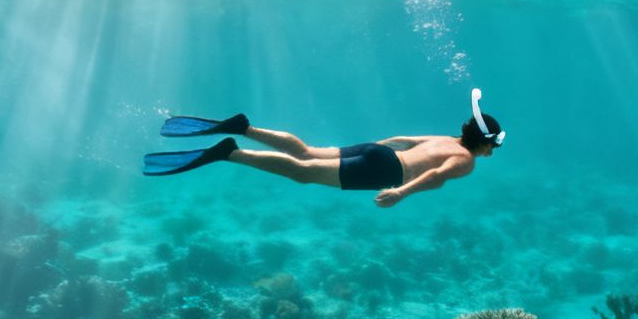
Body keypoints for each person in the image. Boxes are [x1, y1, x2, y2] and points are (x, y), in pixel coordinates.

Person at [144, 88, 505, 207]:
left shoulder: (446, 138)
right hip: (386, 171)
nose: (492, 153)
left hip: (380, 154)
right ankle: (230, 152)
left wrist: (372, 148)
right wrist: (401, 192)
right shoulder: (464, 160)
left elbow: (404, 140)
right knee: (302, 173)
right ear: (485, 143)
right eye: (494, 147)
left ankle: (246, 128)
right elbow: (436, 176)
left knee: (306, 152)